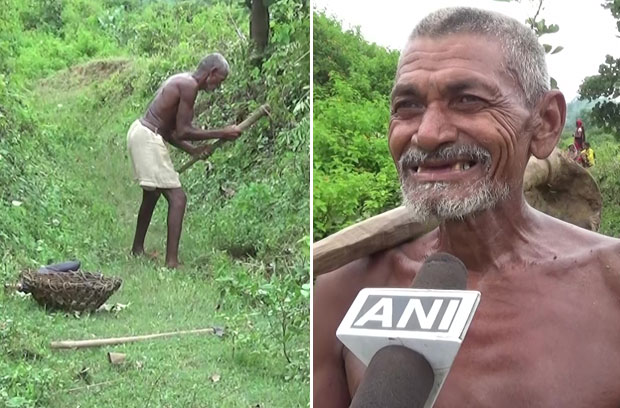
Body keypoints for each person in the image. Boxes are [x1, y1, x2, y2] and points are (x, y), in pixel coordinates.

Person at [313, 7, 620, 407]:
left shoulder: (609, 284)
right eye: (408, 105)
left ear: (544, 122)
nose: (427, 134)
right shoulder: (342, 290)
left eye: (467, 100)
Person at [127, 53, 241, 268]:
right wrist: (222, 132)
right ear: (212, 73)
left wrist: (193, 151)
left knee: (151, 196)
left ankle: (137, 249)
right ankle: (172, 262)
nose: (219, 86)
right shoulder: (188, 86)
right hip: (147, 137)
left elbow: (172, 132)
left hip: (141, 131)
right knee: (178, 199)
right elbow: (184, 130)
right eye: (220, 80)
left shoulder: (182, 80)